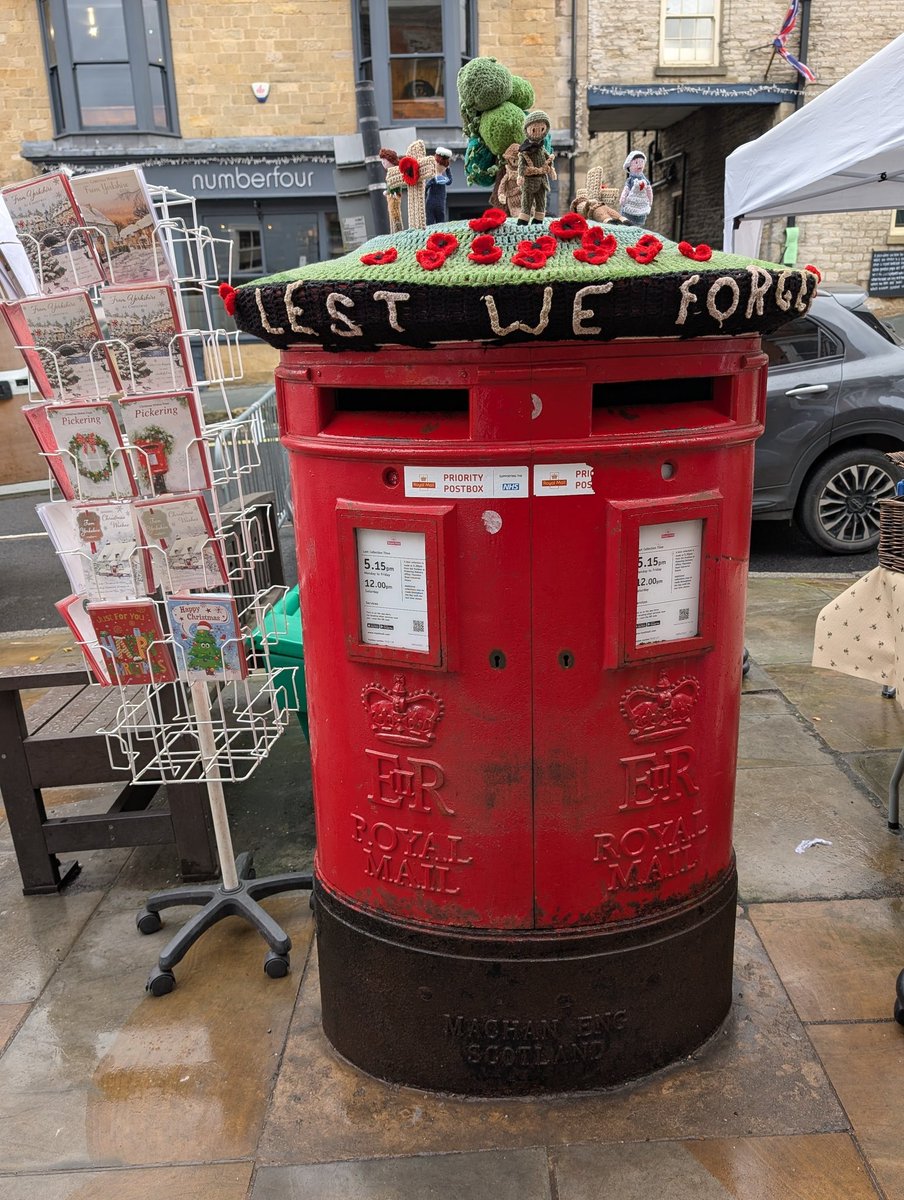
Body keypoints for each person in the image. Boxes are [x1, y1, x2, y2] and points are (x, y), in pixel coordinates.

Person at [516, 110, 557, 224]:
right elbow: (521, 163)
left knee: (541, 200)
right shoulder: (525, 151)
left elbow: (548, 158)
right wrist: (520, 175)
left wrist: (552, 169)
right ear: (527, 130)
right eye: (534, 129)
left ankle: (539, 217)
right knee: (527, 199)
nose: (538, 132)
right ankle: (524, 218)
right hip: (529, 180)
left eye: (542, 129)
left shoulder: (542, 149)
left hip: (542, 180)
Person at [619, 150, 653, 227]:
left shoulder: (645, 180)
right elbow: (626, 190)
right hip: (631, 202)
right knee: (628, 218)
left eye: (642, 162)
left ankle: (637, 224)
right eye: (636, 162)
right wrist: (622, 200)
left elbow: (649, 190)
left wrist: (650, 201)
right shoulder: (630, 180)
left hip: (642, 203)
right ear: (630, 165)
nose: (639, 165)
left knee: (639, 220)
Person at [425, 147, 453, 225]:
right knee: (430, 223)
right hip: (431, 203)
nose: (441, 166)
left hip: (440, 204)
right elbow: (426, 188)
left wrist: (448, 169)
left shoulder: (443, 179)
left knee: (440, 223)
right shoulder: (433, 178)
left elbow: (450, 181)